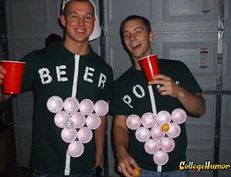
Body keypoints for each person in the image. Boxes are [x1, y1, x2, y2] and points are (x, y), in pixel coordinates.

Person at [0, 0, 113, 177]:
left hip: (85, 167)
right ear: (63, 20)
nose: (81, 24)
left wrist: (99, 151)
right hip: (46, 166)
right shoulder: (39, 60)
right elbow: (4, 94)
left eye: (88, 17)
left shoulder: (103, 69)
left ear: (94, 22)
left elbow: (99, 114)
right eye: (74, 16)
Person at [110, 15, 206, 177]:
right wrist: (121, 153)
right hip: (139, 169)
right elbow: (119, 125)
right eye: (126, 34)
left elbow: (200, 109)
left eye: (137, 31)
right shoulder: (121, 84)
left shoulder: (177, 68)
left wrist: (178, 91)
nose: (132, 38)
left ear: (150, 35)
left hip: (177, 168)